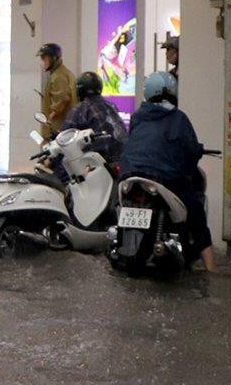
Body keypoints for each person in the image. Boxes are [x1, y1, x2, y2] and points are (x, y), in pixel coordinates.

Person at [119, 69, 214, 270]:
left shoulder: (137, 117)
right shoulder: (178, 118)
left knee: (117, 205)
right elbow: (190, 150)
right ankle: (212, 268)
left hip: (129, 174)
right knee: (196, 212)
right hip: (163, 177)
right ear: (172, 92)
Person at [61, 70, 126, 154]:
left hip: (97, 160)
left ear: (79, 90)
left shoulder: (80, 109)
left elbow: (64, 137)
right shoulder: (112, 106)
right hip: (121, 157)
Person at [38, 42, 74, 140]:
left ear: (53, 58)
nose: (42, 62)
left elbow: (63, 98)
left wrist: (50, 117)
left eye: (44, 58)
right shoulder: (64, 72)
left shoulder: (58, 76)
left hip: (58, 128)